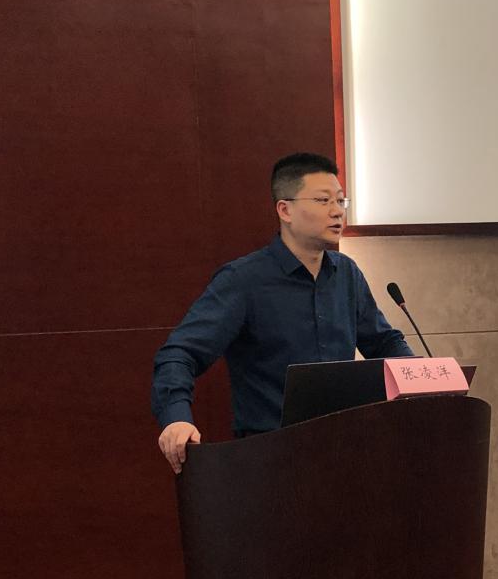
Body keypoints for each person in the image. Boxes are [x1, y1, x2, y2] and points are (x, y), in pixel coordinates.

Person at [151, 152, 413, 473]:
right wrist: (176, 417)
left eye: (340, 201)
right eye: (323, 200)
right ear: (285, 210)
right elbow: (179, 354)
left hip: (343, 449)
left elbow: (385, 343)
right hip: (271, 459)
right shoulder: (244, 280)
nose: (337, 211)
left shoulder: (346, 273)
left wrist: (422, 384)